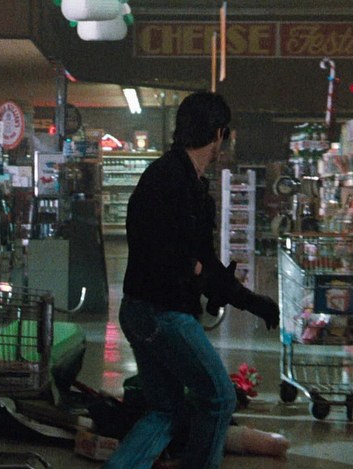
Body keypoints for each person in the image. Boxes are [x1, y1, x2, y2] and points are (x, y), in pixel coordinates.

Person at [103, 91, 280, 469]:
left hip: (141, 310)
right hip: (162, 313)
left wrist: (249, 301)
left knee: (167, 409)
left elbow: (204, 263)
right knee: (219, 397)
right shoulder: (172, 180)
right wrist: (195, 270)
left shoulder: (182, 181)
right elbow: (165, 251)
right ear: (217, 134)